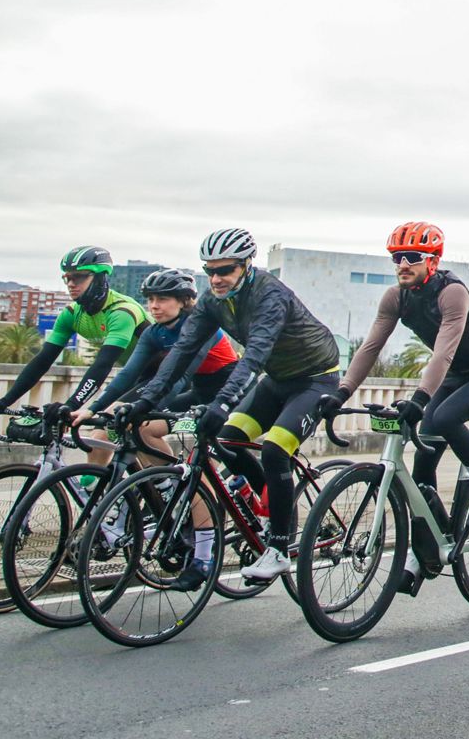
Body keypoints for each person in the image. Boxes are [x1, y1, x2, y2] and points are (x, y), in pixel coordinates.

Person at [125, 228, 340, 584]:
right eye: (210, 270)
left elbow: (254, 355)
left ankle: (278, 547)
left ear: (246, 265)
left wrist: (223, 402)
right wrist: (145, 401)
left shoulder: (269, 294)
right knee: (227, 441)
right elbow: (181, 353)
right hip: (277, 380)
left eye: (224, 270)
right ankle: (269, 508)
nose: (216, 278)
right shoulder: (212, 300)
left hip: (316, 379)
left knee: (273, 448)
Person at [319, 222, 469, 596]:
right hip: (453, 377)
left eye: (412, 257)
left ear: (433, 262)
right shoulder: (395, 297)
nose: (402, 264)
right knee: (422, 472)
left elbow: (444, 350)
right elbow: (371, 347)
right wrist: (341, 392)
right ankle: (424, 553)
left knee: (443, 417)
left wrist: (421, 398)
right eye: (396, 257)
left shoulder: (452, 292)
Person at [73, 267, 246, 592]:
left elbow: (177, 377)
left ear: (184, 301)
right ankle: (169, 485)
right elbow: (128, 376)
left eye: (162, 299)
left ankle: (193, 513)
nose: (154, 306)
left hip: (229, 392)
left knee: (188, 462)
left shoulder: (201, 327)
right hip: (197, 391)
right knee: (142, 431)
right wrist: (94, 408)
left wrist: (142, 408)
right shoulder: (155, 333)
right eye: (150, 299)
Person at [0, 247, 150, 468]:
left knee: (108, 432)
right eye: (67, 278)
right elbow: (42, 361)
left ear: (101, 277)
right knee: (98, 446)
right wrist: (4, 401)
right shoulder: (71, 314)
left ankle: (164, 484)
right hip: (131, 378)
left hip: (159, 376)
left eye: (79, 277)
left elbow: (102, 365)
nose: (71, 284)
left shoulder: (121, 311)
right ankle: (98, 492)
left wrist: (71, 405)